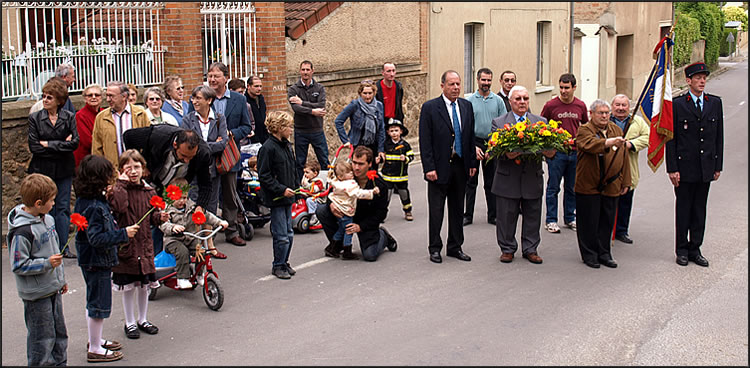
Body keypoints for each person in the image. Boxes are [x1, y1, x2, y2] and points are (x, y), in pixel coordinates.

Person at [73, 154, 138, 363]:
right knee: (98, 305)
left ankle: (96, 339)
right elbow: (96, 238)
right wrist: (123, 234)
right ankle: (94, 347)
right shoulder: (93, 206)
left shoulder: (89, 200)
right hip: (96, 261)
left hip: (92, 259)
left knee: (95, 302)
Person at [7, 173, 69, 366]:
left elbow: (55, 250)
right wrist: (46, 264)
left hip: (53, 287)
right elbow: (18, 265)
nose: (54, 204)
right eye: (51, 201)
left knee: (59, 334)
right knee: (42, 339)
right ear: (39, 203)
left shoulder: (48, 220)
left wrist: (61, 279)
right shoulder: (22, 232)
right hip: (36, 294)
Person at [123, 125, 214, 255]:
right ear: (175, 144)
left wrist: (200, 206)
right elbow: (128, 136)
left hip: (176, 188)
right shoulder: (159, 135)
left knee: (172, 223)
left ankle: (171, 264)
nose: (187, 160)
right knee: (154, 221)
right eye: (183, 156)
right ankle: (151, 258)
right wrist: (142, 165)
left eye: (191, 157)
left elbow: (205, 184)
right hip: (154, 183)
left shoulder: (203, 153)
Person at [666, 61, 723, 267]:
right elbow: (671, 139)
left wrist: (717, 165)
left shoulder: (714, 103)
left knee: (700, 210)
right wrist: (672, 168)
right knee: (684, 210)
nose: (702, 81)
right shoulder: (678, 104)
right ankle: (681, 250)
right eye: (698, 78)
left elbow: (718, 137)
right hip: (684, 167)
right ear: (688, 80)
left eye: (704, 77)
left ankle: (695, 248)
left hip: (705, 167)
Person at [418, 70, 478, 264]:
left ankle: (455, 246)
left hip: (460, 166)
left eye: (458, 84)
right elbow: (425, 141)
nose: (456, 88)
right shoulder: (430, 108)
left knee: (457, 208)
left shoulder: (466, 106)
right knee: (436, 210)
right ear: (442, 85)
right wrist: (429, 168)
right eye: (451, 84)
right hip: (439, 166)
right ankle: (435, 247)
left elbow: (470, 137)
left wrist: (471, 163)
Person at [191, 62, 253, 247]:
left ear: (226, 78)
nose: (212, 79)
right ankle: (207, 235)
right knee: (206, 195)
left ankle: (231, 230)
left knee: (230, 194)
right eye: (209, 76)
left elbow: (247, 126)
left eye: (216, 76)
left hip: (228, 155)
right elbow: (191, 123)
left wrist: (231, 134)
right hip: (206, 156)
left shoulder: (238, 99)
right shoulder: (198, 98)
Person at [108, 150, 169, 339]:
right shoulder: (118, 190)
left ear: (143, 169)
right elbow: (118, 207)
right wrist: (121, 183)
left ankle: (143, 319)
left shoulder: (148, 191)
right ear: (121, 170)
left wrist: (159, 217)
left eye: (137, 167)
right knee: (128, 288)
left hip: (144, 245)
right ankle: (130, 322)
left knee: (144, 286)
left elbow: (151, 216)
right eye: (129, 168)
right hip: (127, 246)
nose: (133, 171)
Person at [491, 85, 554, 265]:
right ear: (510, 101)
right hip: (507, 177)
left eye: (525, 99)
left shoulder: (540, 122)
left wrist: (550, 152)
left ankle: (530, 249)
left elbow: (549, 149)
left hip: (531, 178)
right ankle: (507, 248)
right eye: (518, 99)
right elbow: (495, 148)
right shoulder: (500, 122)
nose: (522, 102)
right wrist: (507, 152)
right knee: (506, 216)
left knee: (533, 215)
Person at [574, 99, 631, 269]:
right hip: (588, 184)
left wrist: (625, 181)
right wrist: (608, 142)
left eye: (607, 113)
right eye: (601, 113)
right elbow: (589, 145)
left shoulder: (616, 130)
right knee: (589, 221)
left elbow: (624, 158)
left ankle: (604, 253)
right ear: (592, 114)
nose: (605, 116)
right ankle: (589, 254)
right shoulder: (584, 130)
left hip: (611, 185)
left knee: (607, 221)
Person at [27, 77, 80, 259]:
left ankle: (63, 246)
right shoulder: (35, 118)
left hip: (64, 169)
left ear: (59, 100)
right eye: (44, 96)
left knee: (63, 208)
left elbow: (74, 143)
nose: (45, 100)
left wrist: (48, 144)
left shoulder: (68, 117)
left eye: (49, 97)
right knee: (43, 207)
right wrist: (59, 145)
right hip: (42, 168)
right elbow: (34, 146)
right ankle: (45, 247)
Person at [316, 146, 397, 261]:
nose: (356, 167)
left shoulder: (379, 185)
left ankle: (383, 236)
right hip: (345, 215)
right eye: (354, 163)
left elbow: (381, 214)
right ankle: (338, 244)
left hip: (364, 221)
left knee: (370, 255)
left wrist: (360, 227)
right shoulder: (345, 176)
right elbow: (332, 193)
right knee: (321, 210)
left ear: (369, 164)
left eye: (361, 164)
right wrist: (332, 205)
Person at [541, 73, 588, 234]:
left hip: (574, 153)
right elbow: (542, 126)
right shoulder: (551, 105)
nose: (563, 91)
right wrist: (548, 150)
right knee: (553, 187)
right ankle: (551, 220)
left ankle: (570, 217)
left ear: (574, 88)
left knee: (572, 187)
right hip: (557, 154)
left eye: (567, 88)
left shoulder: (580, 106)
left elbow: (586, 126)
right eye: (561, 87)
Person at [160, 177, 228, 289]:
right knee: (183, 252)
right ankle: (182, 278)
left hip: (190, 238)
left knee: (201, 251)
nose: (182, 201)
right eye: (179, 198)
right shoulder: (167, 210)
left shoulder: (192, 206)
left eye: (185, 197)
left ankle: (200, 274)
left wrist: (219, 222)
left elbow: (206, 215)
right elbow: (163, 224)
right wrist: (173, 227)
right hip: (173, 240)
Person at [257, 111, 298, 279]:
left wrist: (297, 186)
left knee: (289, 233)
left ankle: (284, 261)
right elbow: (264, 175)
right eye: (288, 127)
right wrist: (281, 189)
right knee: (281, 235)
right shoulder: (267, 148)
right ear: (279, 128)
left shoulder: (287, 145)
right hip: (277, 198)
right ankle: (278, 265)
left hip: (288, 195)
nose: (291, 130)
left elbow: (292, 168)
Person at [464, 67, 507, 226]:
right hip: (474, 143)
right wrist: (473, 148)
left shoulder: (498, 101)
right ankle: (467, 215)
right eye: (483, 80)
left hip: (491, 143)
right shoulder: (469, 101)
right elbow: (465, 127)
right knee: (470, 182)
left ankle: (493, 215)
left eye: (489, 80)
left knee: (491, 182)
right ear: (477, 80)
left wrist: (492, 147)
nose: (486, 83)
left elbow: (503, 126)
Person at [610, 94, 650, 244]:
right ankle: (607, 229)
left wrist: (631, 144)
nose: (620, 108)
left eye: (624, 105)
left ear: (629, 107)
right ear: (612, 106)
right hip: (608, 169)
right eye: (617, 105)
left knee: (625, 201)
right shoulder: (605, 120)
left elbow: (648, 137)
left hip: (629, 169)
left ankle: (621, 230)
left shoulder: (637, 122)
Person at [182, 85, 227, 219]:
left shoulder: (219, 119)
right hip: (194, 169)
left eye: (198, 98)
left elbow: (223, 144)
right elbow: (187, 145)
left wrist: (199, 146)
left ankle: (209, 237)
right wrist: (212, 144)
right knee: (194, 204)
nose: (194, 101)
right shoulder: (187, 120)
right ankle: (196, 237)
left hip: (213, 169)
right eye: (193, 98)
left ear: (209, 100)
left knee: (212, 205)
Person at [327, 159, 381, 260]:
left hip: (341, 209)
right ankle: (347, 250)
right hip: (347, 211)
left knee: (341, 229)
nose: (352, 172)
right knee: (349, 230)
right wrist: (372, 192)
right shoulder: (349, 184)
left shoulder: (336, 183)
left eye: (350, 171)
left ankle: (332, 247)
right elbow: (358, 193)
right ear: (341, 176)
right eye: (348, 172)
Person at [91, 81, 150, 167]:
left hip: (136, 169)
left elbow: (148, 143)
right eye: (107, 95)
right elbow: (97, 148)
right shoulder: (101, 117)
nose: (108, 99)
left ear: (124, 96)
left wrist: (145, 167)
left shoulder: (140, 114)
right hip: (112, 171)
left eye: (111, 96)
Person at [288, 60, 329, 180]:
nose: (305, 72)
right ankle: (300, 188)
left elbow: (321, 105)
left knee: (324, 160)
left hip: (317, 130)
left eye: (308, 70)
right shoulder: (293, 89)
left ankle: (325, 185)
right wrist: (313, 111)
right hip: (301, 131)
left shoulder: (319, 88)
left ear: (312, 71)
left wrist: (303, 103)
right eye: (303, 70)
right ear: (300, 71)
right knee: (300, 162)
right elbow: (296, 109)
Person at [334, 79, 386, 167]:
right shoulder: (355, 105)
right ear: (360, 93)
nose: (367, 96)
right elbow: (338, 121)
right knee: (359, 171)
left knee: (372, 173)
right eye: (365, 93)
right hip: (358, 144)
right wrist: (345, 140)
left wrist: (381, 149)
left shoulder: (379, 106)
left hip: (373, 145)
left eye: (370, 93)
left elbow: (381, 129)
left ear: (374, 93)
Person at [381, 119, 414, 221]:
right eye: (391, 131)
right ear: (388, 133)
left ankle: (408, 211)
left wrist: (406, 159)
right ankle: (382, 214)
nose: (394, 133)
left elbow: (412, 156)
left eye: (396, 130)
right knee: (386, 196)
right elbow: (382, 156)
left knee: (404, 194)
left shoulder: (405, 145)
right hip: (388, 176)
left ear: (401, 131)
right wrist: (380, 159)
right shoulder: (385, 144)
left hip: (401, 176)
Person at [74, 84, 104, 167]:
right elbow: (87, 141)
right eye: (90, 95)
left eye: (97, 95)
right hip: (87, 159)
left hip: (102, 156)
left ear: (101, 97)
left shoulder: (104, 113)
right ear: (85, 98)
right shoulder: (80, 115)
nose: (93, 97)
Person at [300, 160, 325, 227]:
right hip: (310, 196)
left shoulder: (318, 181)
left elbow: (314, 190)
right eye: (304, 172)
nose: (305, 175)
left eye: (307, 172)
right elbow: (303, 189)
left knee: (310, 200)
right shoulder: (309, 180)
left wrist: (306, 184)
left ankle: (314, 216)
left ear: (315, 173)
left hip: (319, 198)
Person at [245, 75, 269, 144]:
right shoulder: (244, 100)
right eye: (256, 86)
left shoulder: (261, 98)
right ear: (248, 86)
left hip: (264, 136)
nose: (259, 89)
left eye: (260, 86)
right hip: (252, 137)